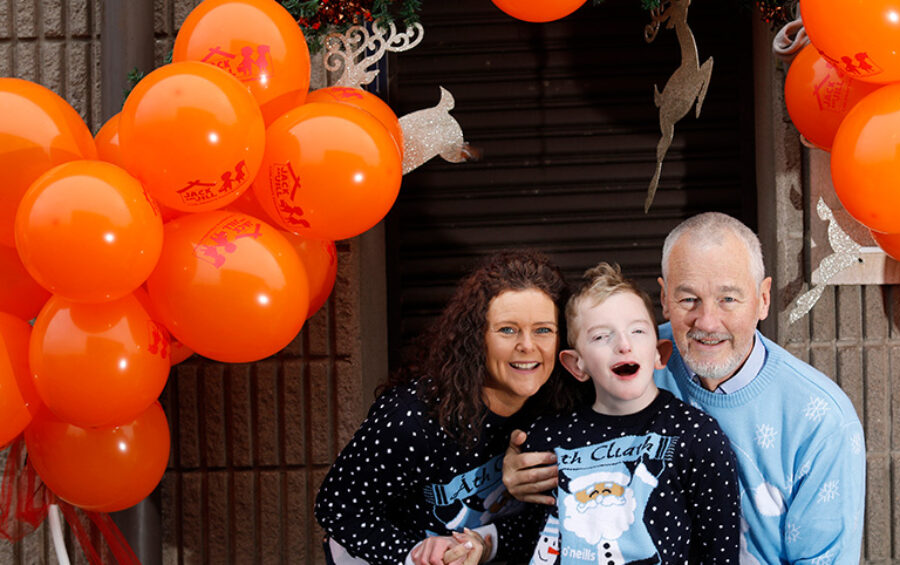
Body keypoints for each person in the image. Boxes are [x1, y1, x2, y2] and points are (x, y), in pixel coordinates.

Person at [504, 212, 866, 564]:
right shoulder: (630, 361)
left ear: (763, 298)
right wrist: (513, 474)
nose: (707, 322)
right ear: (663, 298)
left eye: (728, 298)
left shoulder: (822, 421)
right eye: (688, 299)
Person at [315, 250, 584, 565]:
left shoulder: (561, 412)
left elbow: (550, 523)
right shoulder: (413, 417)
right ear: (476, 339)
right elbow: (336, 506)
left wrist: (484, 545)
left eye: (543, 330)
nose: (527, 345)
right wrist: (413, 554)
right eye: (507, 330)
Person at [518, 262, 740, 564]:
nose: (623, 345)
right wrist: (481, 541)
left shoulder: (696, 436)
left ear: (659, 353)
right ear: (576, 364)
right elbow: (527, 534)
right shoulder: (547, 436)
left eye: (637, 331)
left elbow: (719, 552)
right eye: (600, 336)